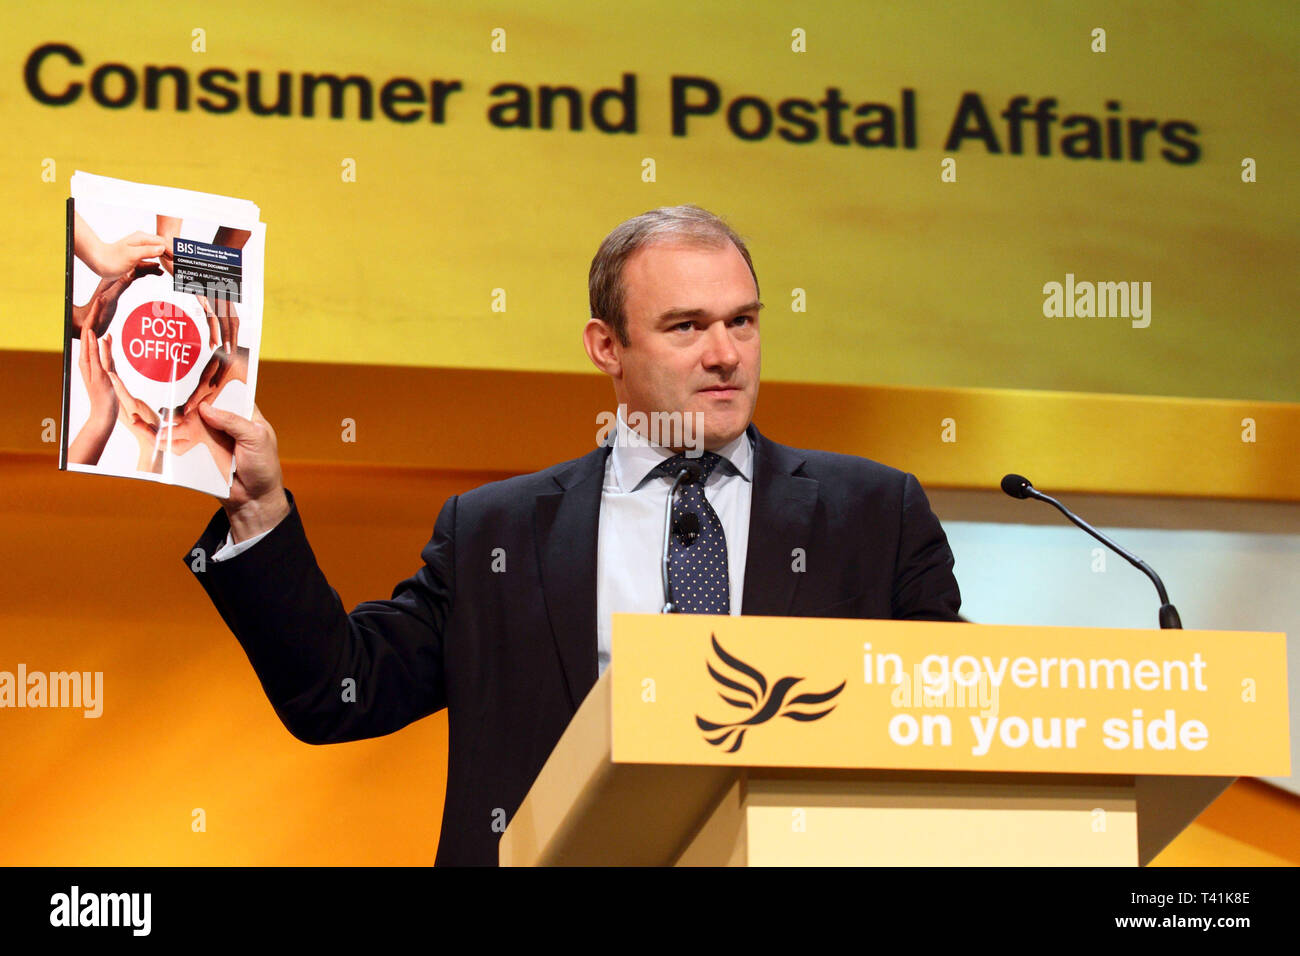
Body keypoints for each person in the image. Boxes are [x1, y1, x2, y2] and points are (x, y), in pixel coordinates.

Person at [185, 204, 962, 866]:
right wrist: (260, 511)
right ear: (605, 347)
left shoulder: (873, 514)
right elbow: (339, 692)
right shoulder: (498, 531)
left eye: (742, 322)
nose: (726, 354)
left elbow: (948, 718)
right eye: (686, 327)